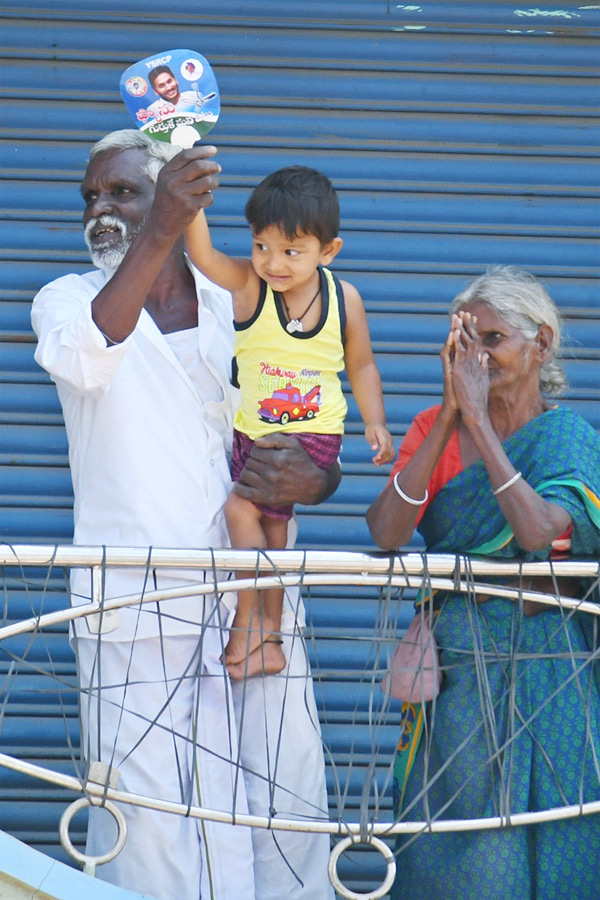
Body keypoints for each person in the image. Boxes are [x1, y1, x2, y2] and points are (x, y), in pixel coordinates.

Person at [31, 129, 336, 900]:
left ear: (178, 198)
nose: (101, 208)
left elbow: (311, 426)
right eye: (92, 197)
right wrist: (160, 224)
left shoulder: (240, 303)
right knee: (152, 828)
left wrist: (315, 482)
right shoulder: (68, 301)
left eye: (123, 193)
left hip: (255, 602)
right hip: (138, 610)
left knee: (278, 807)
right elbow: (84, 354)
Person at [367, 266, 600, 900]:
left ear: (541, 344)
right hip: (461, 677)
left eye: (491, 338)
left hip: (552, 673)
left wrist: (481, 424)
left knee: (558, 835)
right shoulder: (433, 429)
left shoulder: (568, 440)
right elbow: (388, 532)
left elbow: (536, 531)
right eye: (463, 340)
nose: (476, 355)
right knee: (463, 852)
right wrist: (450, 416)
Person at [186, 164, 394, 678]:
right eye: (261, 246)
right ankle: (271, 642)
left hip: (309, 441)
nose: (272, 263)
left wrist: (376, 421)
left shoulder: (344, 299)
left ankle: (244, 622)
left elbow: (361, 363)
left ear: (329, 251)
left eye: (291, 252)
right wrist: (190, 199)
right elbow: (204, 256)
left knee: (240, 511)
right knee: (274, 533)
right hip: (253, 435)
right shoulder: (250, 288)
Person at [147, 65, 215, 117]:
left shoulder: (196, 96)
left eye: (169, 81)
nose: (168, 87)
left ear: (176, 80)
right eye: (161, 86)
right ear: (155, 91)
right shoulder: (152, 110)